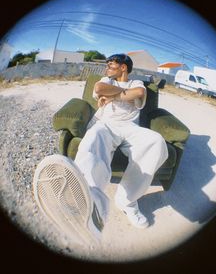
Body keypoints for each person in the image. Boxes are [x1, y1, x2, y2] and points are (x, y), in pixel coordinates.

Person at [34, 53, 168, 242]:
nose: (107, 67)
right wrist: (121, 96)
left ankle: (127, 201)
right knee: (93, 138)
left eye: (111, 64)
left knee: (156, 142)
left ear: (123, 67)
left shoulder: (136, 83)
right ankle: (91, 202)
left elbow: (138, 94)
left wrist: (112, 96)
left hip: (130, 128)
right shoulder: (106, 80)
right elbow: (99, 87)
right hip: (106, 125)